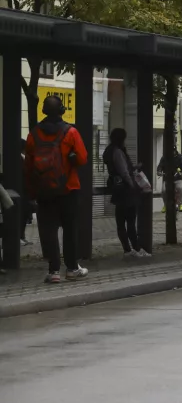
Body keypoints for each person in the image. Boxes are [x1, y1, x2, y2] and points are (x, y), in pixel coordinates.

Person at [24, 95, 89, 283]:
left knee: (48, 230)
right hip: (69, 188)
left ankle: (53, 272)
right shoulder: (71, 133)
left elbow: (28, 166)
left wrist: (32, 190)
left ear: (43, 111)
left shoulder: (33, 135)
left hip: (44, 191)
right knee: (70, 229)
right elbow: (83, 159)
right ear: (61, 111)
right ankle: (71, 268)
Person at [103, 129, 150, 258]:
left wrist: (134, 168)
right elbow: (123, 172)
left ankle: (127, 249)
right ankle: (135, 249)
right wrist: (132, 184)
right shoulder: (117, 152)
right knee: (130, 221)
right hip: (126, 191)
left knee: (120, 221)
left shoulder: (109, 151)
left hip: (117, 190)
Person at [157, 147, 182, 213]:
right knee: (164, 190)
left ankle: (180, 204)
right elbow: (160, 166)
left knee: (179, 188)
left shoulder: (180, 157)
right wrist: (159, 171)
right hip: (167, 178)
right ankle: (165, 205)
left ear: (175, 151)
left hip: (177, 177)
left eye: (173, 151)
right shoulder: (164, 157)